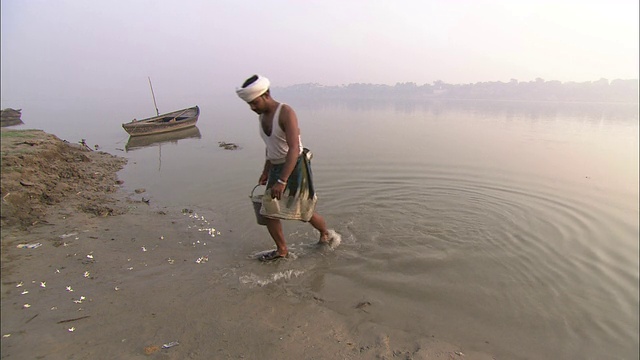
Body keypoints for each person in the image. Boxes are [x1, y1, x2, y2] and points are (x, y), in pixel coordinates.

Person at [236, 74, 335, 261]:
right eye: (249, 104)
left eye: (254, 102)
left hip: (295, 166)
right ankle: (282, 250)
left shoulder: (285, 112)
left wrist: (282, 180)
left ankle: (324, 233)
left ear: (265, 95)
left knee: (304, 211)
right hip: (275, 166)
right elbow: (271, 146)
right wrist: (266, 171)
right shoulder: (262, 117)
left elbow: (294, 148)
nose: (252, 108)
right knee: (268, 211)